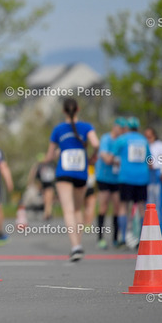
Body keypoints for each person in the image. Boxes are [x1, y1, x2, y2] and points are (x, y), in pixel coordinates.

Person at [44, 98, 99, 261]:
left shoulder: (58, 129)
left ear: (63, 111)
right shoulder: (86, 127)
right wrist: (92, 157)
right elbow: (96, 144)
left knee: (68, 210)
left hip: (64, 172)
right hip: (81, 172)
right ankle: (78, 243)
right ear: (78, 109)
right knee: (77, 209)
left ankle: (75, 247)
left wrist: (50, 158)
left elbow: (49, 155)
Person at [106, 116, 151, 249]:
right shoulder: (144, 140)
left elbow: (110, 158)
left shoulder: (122, 139)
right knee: (142, 207)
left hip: (126, 177)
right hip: (142, 177)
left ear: (127, 128)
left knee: (123, 207)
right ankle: (142, 238)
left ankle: (124, 238)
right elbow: (150, 160)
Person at [95, 117, 127, 249]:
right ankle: (100, 238)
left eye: (124, 129)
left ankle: (115, 238)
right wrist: (118, 161)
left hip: (117, 178)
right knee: (103, 206)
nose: (122, 131)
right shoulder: (106, 139)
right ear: (115, 127)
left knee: (117, 207)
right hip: (104, 177)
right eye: (121, 128)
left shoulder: (123, 141)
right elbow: (106, 158)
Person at [28, 153, 56, 221]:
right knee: (47, 199)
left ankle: (47, 213)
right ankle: (47, 213)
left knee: (48, 199)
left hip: (48, 184)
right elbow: (34, 175)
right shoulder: (40, 166)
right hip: (43, 184)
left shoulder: (49, 165)